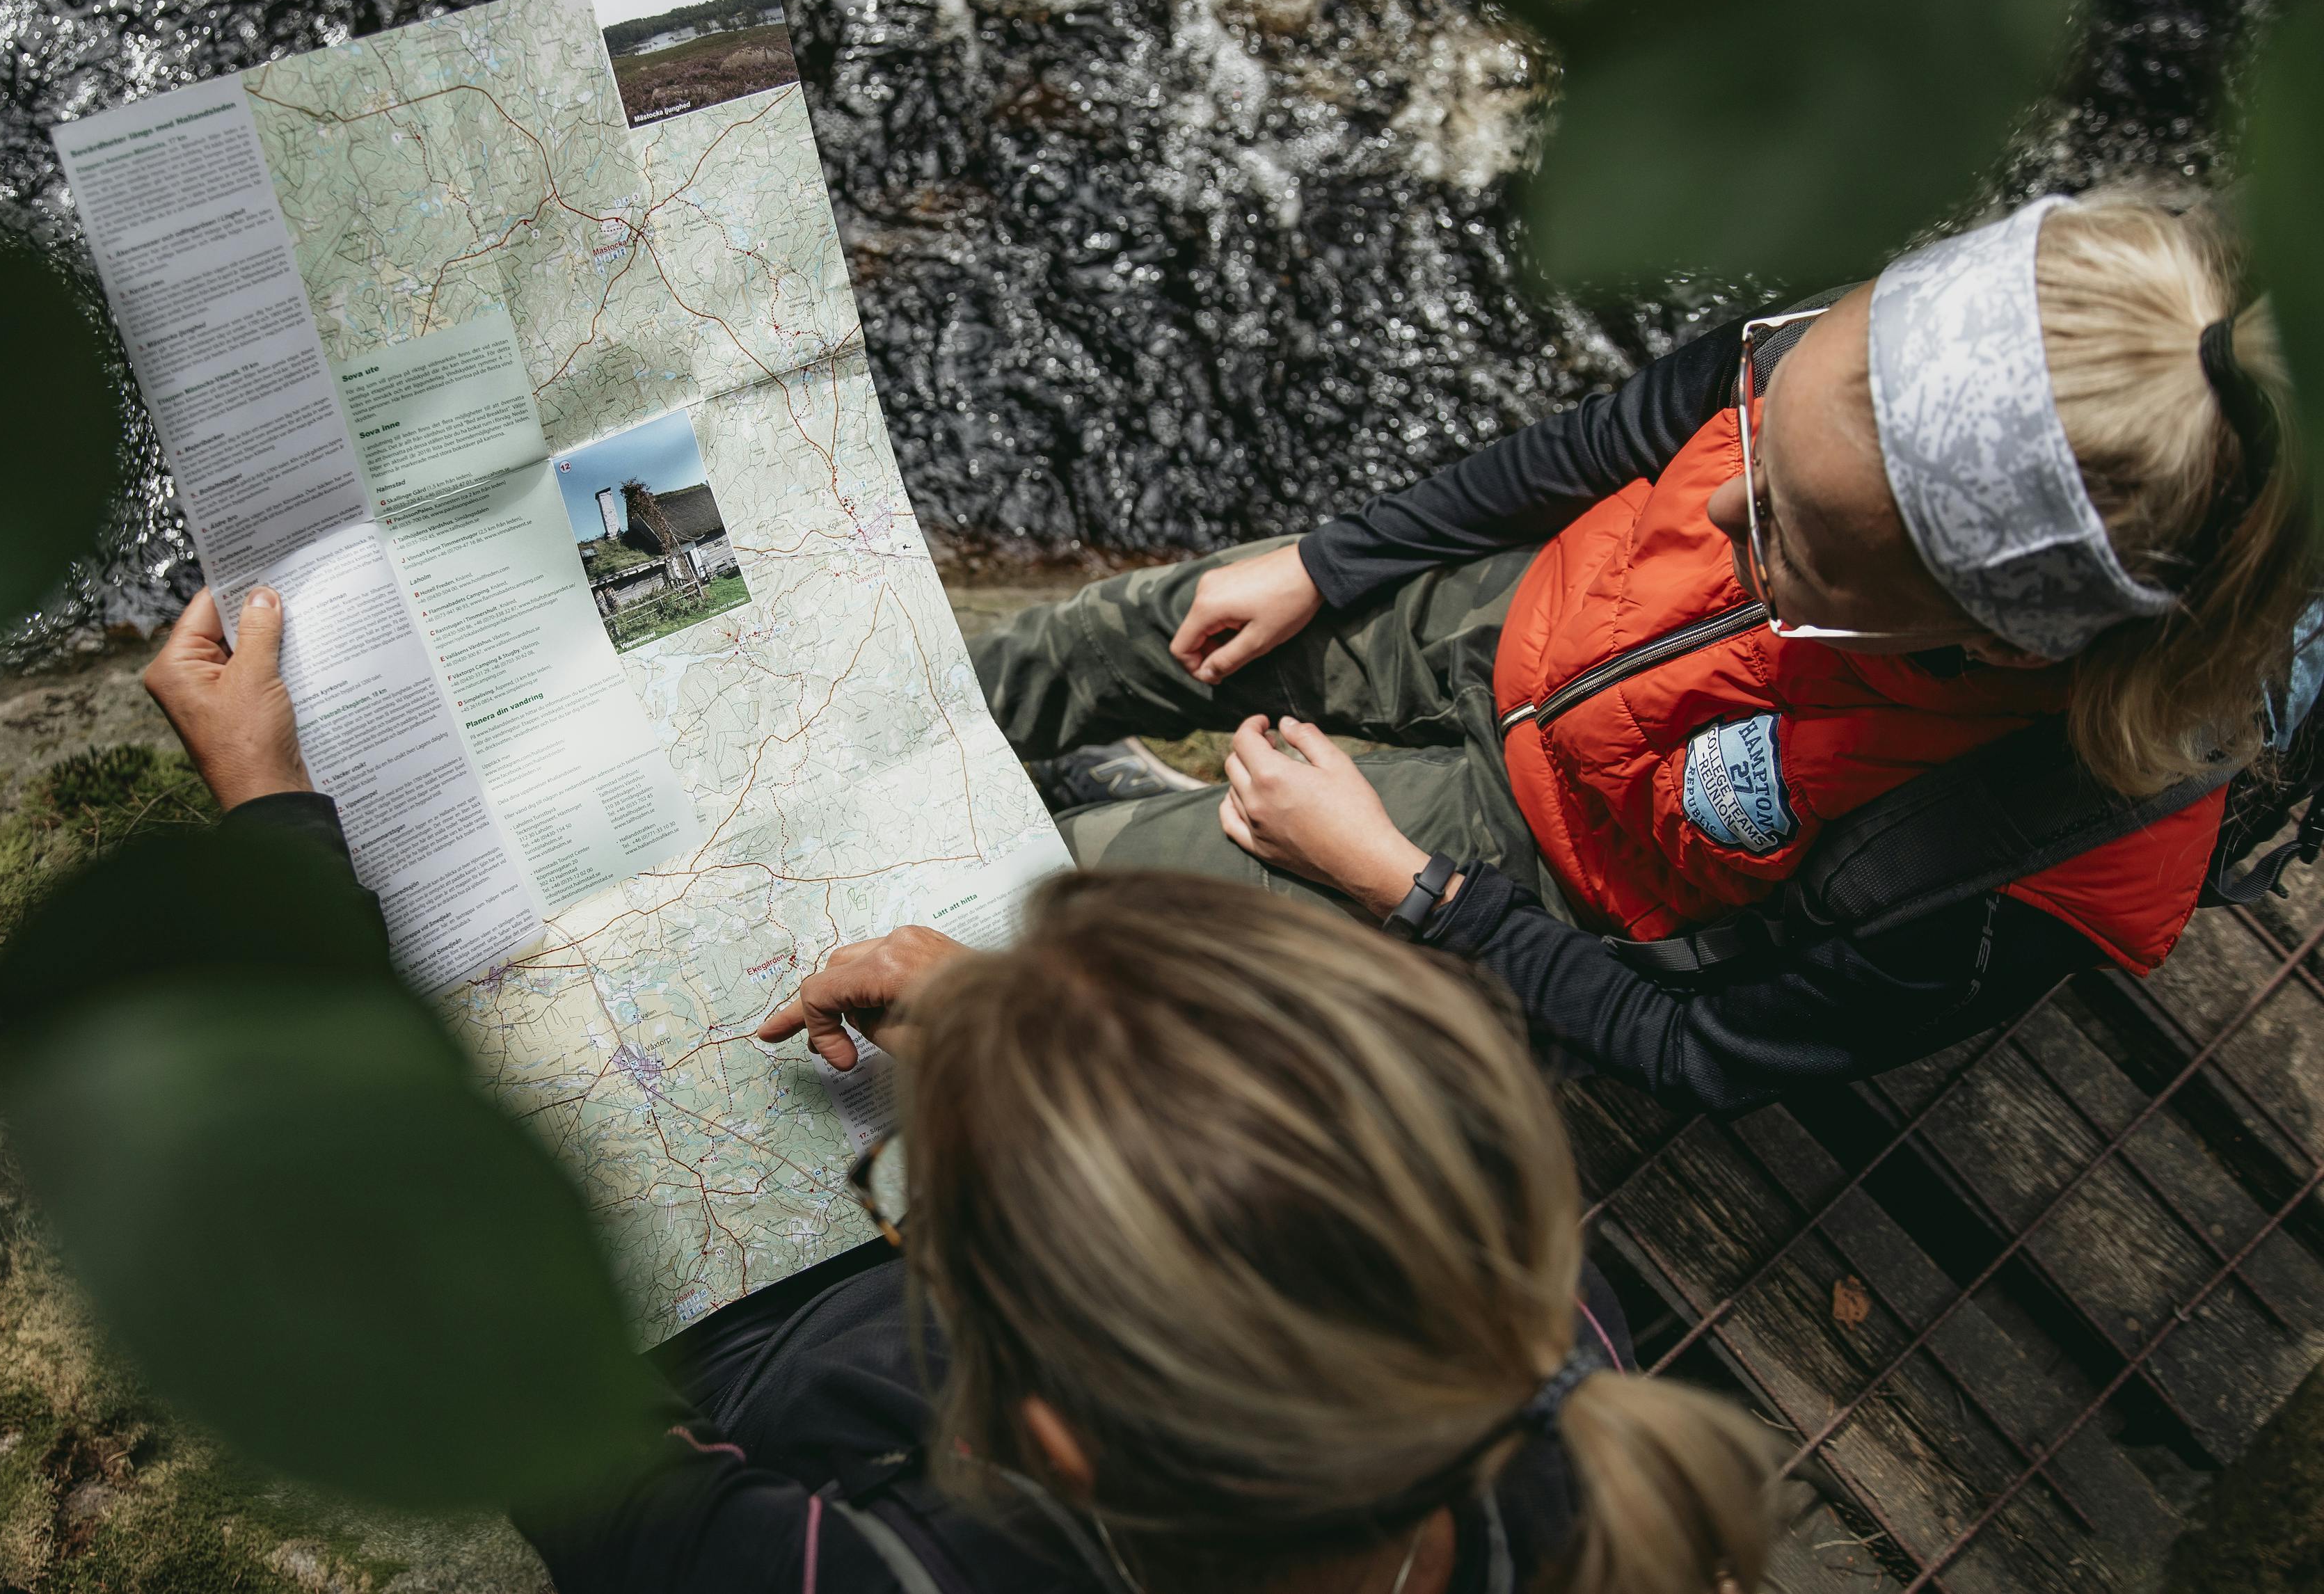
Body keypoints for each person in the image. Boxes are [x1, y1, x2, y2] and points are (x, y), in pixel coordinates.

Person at [142, 589, 1780, 1594]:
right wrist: (1012, 1024)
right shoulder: (1526, 1354)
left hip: (739, 1342)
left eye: (947, 1186)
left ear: (1043, 1429)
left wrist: (277, 825)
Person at [983, 195, 2318, 1113]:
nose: (1725, 503)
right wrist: (1334, 563)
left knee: (1066, 924)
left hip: (1552, 870)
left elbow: (1701, 1050)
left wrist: (1408, 890)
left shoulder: (2009, 864)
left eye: (1791, 542)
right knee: (1115, 635)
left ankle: (1126, 829)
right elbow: (1601, 442)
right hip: (1533, 611)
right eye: (1763, 437)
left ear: (1991, 641)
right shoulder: (1894, 360)